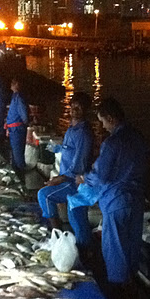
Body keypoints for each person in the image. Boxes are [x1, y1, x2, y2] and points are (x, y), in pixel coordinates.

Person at [68, 97, 148, 285]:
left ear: (111, 118)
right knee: (132, 244)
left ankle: (118, 289)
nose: (102, 126)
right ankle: (132, 285)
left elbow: (101, 175)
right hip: (136, 199)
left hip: (116, 201)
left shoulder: (112, 143)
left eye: (103, 121)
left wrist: (84, 178)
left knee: (115, 248)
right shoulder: (138, 137)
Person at [37, 92, 94, 229]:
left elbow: (79, 164)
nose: (74, 111)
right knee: (76, 219)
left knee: (44, 195)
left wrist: (60, 178)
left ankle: (57, 232)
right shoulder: (72, 129)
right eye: (73, 107)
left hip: (74, 182)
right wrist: (57, 148)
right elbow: (67, 148)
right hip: (66, 177)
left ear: (86, 110)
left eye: (79, 108)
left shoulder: (83, 133)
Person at [5, 77, 29, 174]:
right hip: (13, 128)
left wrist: (26, 123)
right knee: (15, 152)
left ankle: (21, 174)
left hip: (17, 129)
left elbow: (23, 114)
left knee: (18, 152)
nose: (11, 84)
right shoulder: (15, 96)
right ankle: (15, 171)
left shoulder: (18, 97)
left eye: (14, 83)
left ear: (17, 85)